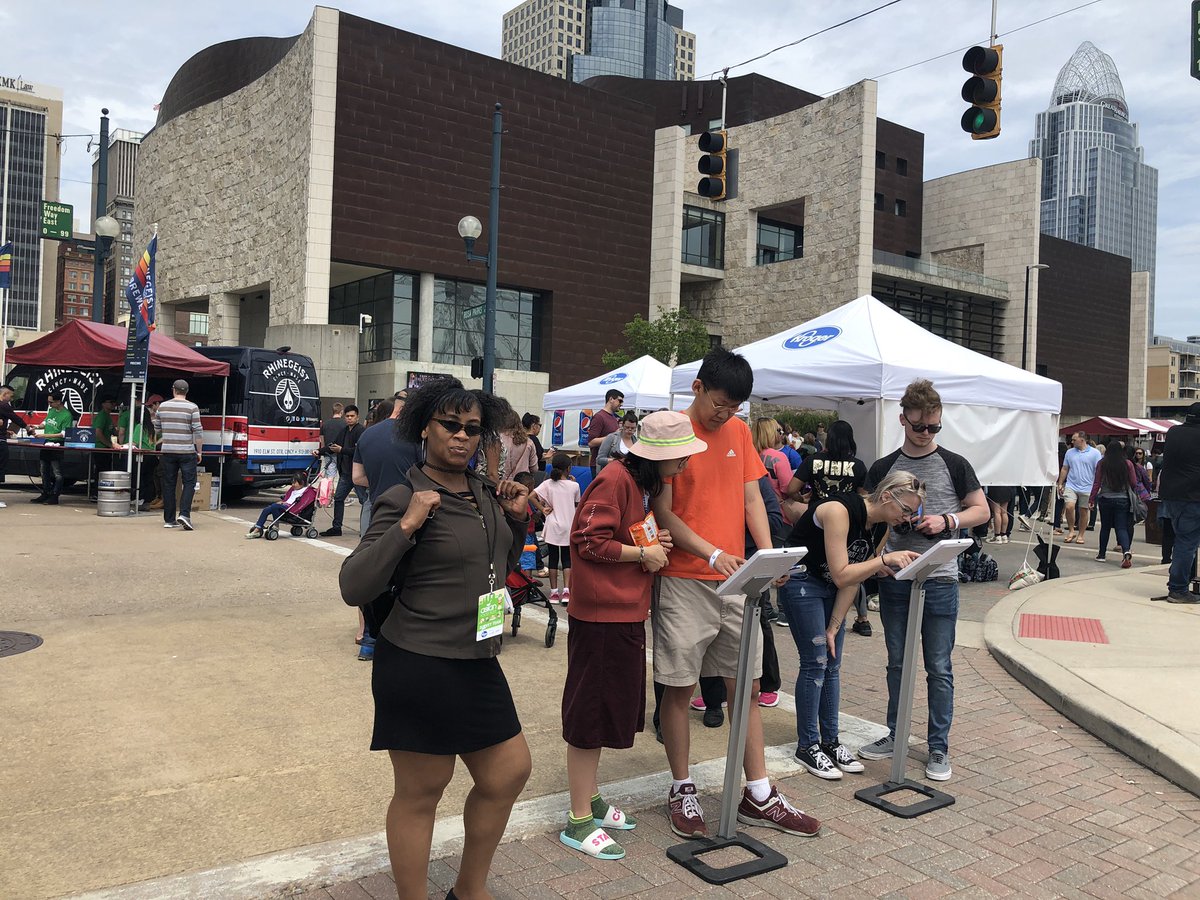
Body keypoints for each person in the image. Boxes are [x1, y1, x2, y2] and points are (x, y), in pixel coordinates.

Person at [338, 377, 532, 900]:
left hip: (476, 657)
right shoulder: (405, 495)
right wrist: (406, 525)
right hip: (418, 660)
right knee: (422, 790)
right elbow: (354, 585)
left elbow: (497, 568)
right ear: (424, 426)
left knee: (509, 771)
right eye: (450, 425)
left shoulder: (484, 494)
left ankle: (469, 890)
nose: (462, 437)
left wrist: (516, 523)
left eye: (473, 429)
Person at [651, 346, 820, 841]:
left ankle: (759, 792)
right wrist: (709, 554)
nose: (725, 415)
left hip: (736, 580)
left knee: (743, 685)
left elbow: (752, 496)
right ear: (697, 387)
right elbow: (663, 511)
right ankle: (682, 787)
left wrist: (766, 558)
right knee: (680, 687)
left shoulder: (739, 432)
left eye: (734, 408)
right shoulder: (671, 431)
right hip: (685, 579)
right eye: (719, 404)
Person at [559, 411, 695, 859]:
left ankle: (589, 801)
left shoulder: (634, 483)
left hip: (620, 614)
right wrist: (643, 552)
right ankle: (578, 818)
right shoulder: (617, 479)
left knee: (603, 710)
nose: (683, 466)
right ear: (656, 458)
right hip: (602, 616)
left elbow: (608, 539)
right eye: (678, 459)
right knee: (590, 714)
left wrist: (648, 550)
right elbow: (586, 540)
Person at [858, 379, 989, 782]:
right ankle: (896, 734)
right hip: (896, 577)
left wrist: (946, 521)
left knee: (939, 666)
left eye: (934, 427)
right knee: (897, 662)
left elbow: (981, 510)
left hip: (941, 578)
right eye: (919, 426)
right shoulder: (884, 467)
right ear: (903, 419)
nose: (926, 433)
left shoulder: (955, 464)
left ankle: (938, 746)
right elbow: (865, 515)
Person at [781, 472, 923, 780]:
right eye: (907, 510)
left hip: (831, 584)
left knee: (832, 662)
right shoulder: (839, 510)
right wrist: (884, 561)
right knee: (815, 662)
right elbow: (845, 572)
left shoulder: (882, 526)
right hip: (802, 579)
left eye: (913, 513)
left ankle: (830, 741)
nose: (908, 519)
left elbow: (854, 576)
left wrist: (834, 626)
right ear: (887, 497)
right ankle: (808, 745)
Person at [787, 420, 871, 635]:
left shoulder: (813, 460)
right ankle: (861, 618)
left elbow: (791, 488)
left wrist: (803, 499)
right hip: (845, 524)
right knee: (852, 570)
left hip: (816, 521)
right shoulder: (859, 465)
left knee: (817, 568)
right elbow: (864, 497)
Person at [1157, 403, 1200, 603]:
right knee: (1187, 543)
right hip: (1193, 497)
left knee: (1182, 540)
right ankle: (1178, 588)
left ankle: (1179, 581)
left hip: (1172, 497)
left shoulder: (1173, 432)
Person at [154, 381, 204, 530]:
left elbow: (157, 429)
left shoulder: (162, 407)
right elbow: (198, 431)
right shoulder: (192, 407)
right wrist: (199, 451)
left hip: (168, 451)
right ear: (187, 391)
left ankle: (169, 520)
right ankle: (184, 514)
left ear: (173, 390)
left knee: (168, 484)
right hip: (187, 452)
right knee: (189, 483)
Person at [533, 452, 580, 604]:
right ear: (568, 468)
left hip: (553, 524)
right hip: (568, 525)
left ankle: (554, 593)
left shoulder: (547, 484)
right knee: (567, 559)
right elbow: (577, 505)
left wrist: (542, 508)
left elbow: (531, 496)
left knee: (553, 559)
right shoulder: (574, 486)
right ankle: (566, 591)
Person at [1089, 439, 1138, 568]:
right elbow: (1133, 482)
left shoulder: (1102, 463)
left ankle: (1101, 554)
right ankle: (1126, 551)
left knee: (1105, 527)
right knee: (1121, 527)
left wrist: (1092, 499)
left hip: (1105, 498)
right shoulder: (1127, 464)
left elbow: (1097, 482)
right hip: (1123, 499)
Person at [321, 405, 365, 537]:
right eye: (347, 416)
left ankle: (366, 529)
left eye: (352, 416)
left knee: (365, 501)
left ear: (357, 417)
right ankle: (336, 527)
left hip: (358, 473)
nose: (350, 418)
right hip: (345, 473)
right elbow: (333, 446)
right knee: (339, 498)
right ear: (344, 417)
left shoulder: (361, 431)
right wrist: (319, 451)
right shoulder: (344, 430)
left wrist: (342, 450)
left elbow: (359, 451)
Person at [1055, 431, 1100, 544]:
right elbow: (1065, 468)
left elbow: (1098, 471)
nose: (1072, 441)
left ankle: (1081, 534)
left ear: (1082, 440)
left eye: (1074, 439)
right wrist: (1060, 483)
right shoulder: (1070, 452)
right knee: (1069, 506)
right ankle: (1071, 530)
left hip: (1088, 486)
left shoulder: (1095, 453)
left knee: (1083, 511)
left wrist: (1097, 486)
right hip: (1071, 484)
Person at [30, 391, 72, 505]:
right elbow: (46, 422)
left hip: (57, 444)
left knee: (57, 472)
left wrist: (43, 435)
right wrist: (37, 426)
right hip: (47, 443)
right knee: (44, 470)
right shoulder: (52, 410)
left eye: (51, 402)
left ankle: (55, 495)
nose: (49, 404)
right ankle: (45, 492)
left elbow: (63, 434)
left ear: (58, 402)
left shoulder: (67, 415)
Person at [245, 473, 310, 538]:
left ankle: (276, 525)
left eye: (295, 483)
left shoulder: (305, 492)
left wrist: (285, 504)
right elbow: (287, 498)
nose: (293, 485)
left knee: (274, 506)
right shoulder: (292, 490)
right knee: (266, 509)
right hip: (285, 505)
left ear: (302, 483)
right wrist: (283, 502)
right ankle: (257, 528)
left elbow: (300, 503)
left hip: (291, 509)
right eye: (292, 482)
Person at [752, 417, 793, 510]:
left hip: (754, 510)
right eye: (778, 430)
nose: (781, 433)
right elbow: (788, 488)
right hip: (778, 510)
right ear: (770, 432)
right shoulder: (779, 457)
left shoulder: (747, 454)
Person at [0, 383, 28, 501]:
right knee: (1, 469)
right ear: (5, 394)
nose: (11, 399)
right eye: (11, 396)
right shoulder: (4, 405)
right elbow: (15, 418)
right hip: (0, 442)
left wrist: (5, 430)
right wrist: (28, 428)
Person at [586, 389, 624, 468]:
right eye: (620, 401)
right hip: (599, 465)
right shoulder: (599, 417)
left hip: (610, 464)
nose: (621, 404)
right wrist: (613, 436)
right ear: (611, 399)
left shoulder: (613, 417)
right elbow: (591, 442)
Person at [499, 409, 539, 480]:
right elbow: (534, 468)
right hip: (522, 483)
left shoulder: (497, 440)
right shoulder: (528, 442)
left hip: (502, 484)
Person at [317, 401, 345, 478]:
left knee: (330, 477)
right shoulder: (345, 424)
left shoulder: (325, 424)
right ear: (341, 412)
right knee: (343, 477)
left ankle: (329, 490)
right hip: (342, 454)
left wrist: (323, 451)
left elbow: (322, 441)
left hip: (328, 454)